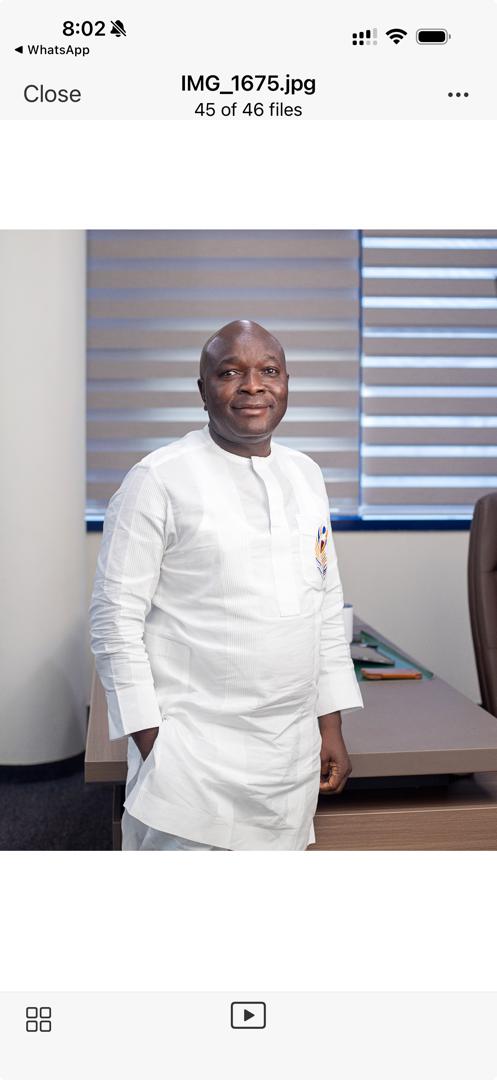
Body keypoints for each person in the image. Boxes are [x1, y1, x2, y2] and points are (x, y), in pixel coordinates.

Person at [90, 319, 363, 850]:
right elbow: (113, 620)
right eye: (230, 372)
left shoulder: (306, 475)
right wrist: (153, 745)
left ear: (286, 383)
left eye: (269, 371)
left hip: (290, 760)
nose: (253, 386)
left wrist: (330, 726)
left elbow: (324, 608)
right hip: (192, 763)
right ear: (203, 390)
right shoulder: (157, 480)